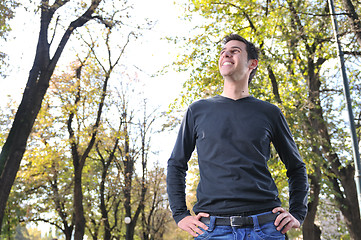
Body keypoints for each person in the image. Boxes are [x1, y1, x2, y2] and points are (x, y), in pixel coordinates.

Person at [166, 33, 309, 239]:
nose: (226, 54)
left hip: (267, 228)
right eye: (223, 52)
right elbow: (176, 164)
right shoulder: (197, 111)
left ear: (252, 63)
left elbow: (296, 168)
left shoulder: (270, 113)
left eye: (235, 51)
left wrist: (297, 213)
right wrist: (180, 214)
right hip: (212, 230)